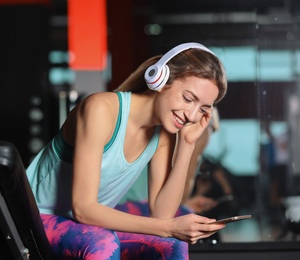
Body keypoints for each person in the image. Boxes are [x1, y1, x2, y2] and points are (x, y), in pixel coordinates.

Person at [26, 42, 228, 259]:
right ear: (160, 79)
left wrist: (187, 144)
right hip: (37, 217)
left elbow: (162, 214)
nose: (192, 115)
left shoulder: (163, 132)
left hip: (85, 226)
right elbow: (84, 209)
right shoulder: (100, 109)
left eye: (203, 109)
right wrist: (170, 228)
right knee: (102, 242)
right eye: (188, 99)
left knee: (170, 245)